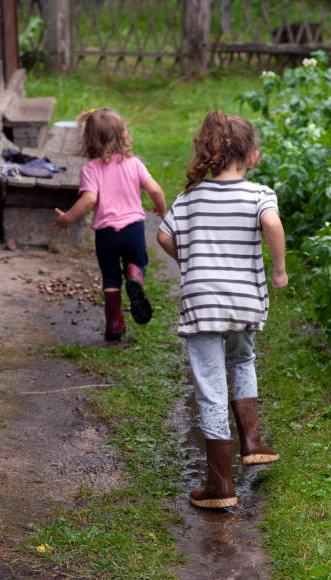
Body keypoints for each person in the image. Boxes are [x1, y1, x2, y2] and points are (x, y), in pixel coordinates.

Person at [157, 110, 288, 509]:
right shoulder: (260, 194)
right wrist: (279, 270)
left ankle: (220, 484)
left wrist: (190, 261)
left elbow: (163, 236)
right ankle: (251, 441)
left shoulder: (190, 196)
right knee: (243, 359)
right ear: (252, 157)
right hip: (244, 299)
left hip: (202, 303)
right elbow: (273, 225)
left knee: (210, 386)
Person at [52, 108, 167, 341]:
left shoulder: (90, 169)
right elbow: (154, 189)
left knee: (111, 276)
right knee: (136, 262)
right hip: (133, 227)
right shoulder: (134, 164)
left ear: (89, 141)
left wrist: (66, 219)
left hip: (106, 233)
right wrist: (161, 207)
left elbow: (90, 200)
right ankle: (135, 275)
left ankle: (114, 324)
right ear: (124, 135)